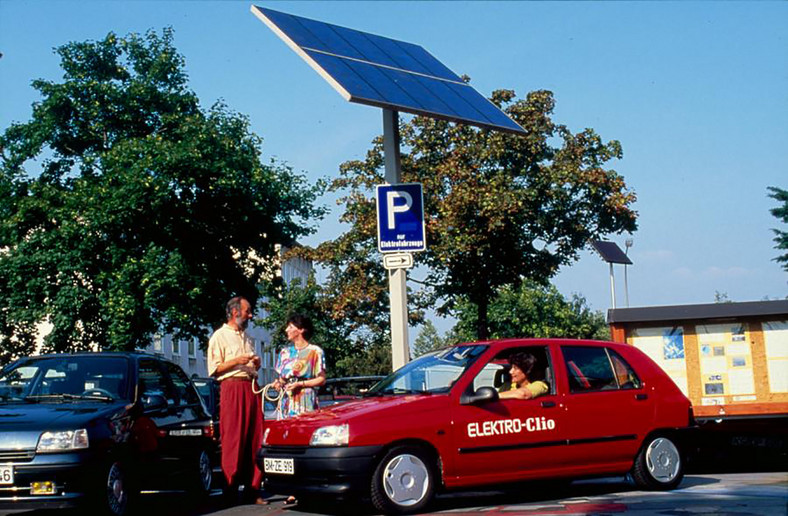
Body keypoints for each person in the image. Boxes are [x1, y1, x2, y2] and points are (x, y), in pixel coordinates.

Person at [207, 296, 267, 506]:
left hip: (250, 387)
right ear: (235, 313)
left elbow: (250, 366)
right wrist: (236, 361)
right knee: (234, 437)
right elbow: (214, 369)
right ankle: (230, 488)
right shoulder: (219, 336)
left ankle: (253, 487)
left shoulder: (247, 337)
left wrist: (255, 364)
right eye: (247, 311)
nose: (250, 315)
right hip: (232, 388)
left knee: (254, 437)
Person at [272, 314, 326, 504]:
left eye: (290, 326)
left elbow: (321, 378)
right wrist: (278, 384)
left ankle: (309, 485)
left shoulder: (315, 352)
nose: (287, 330)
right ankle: (292, 487)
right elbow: (282, 378)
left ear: (301, 329)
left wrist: (301, 384)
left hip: (306, 401)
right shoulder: (284, 353)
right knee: (287, 443)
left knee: (305, 442)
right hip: (287, 402)